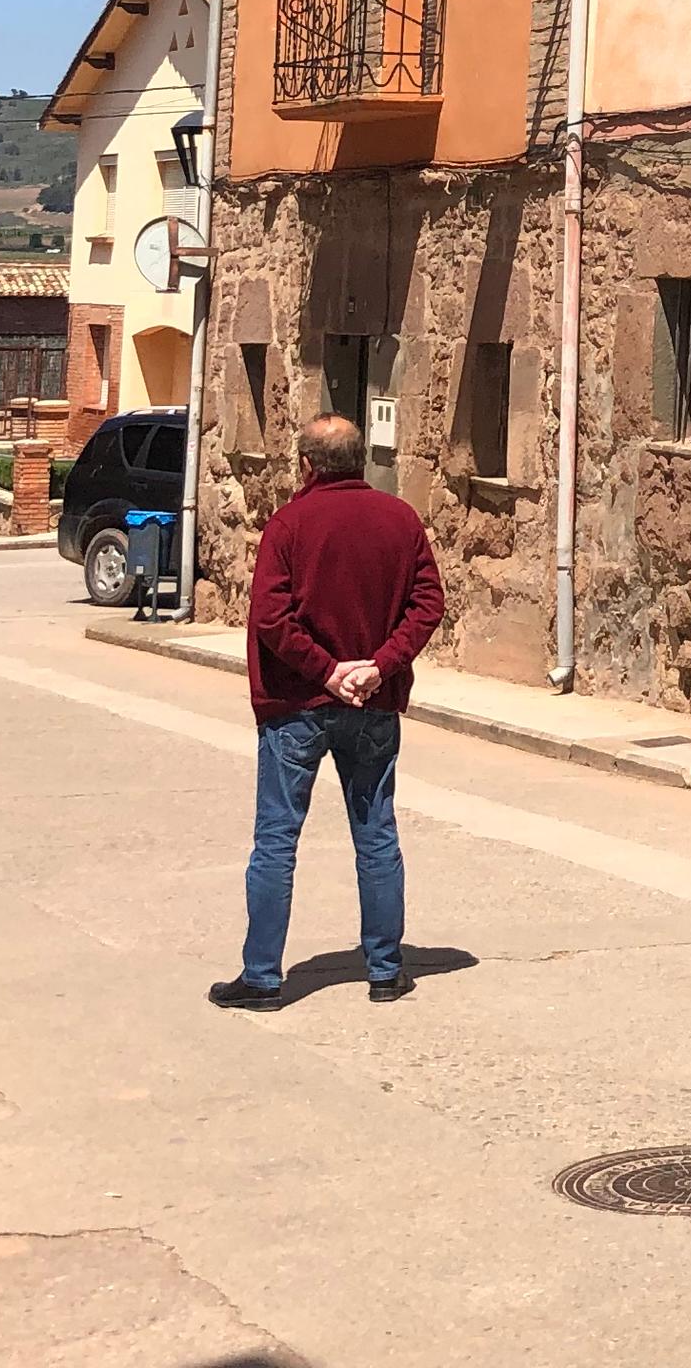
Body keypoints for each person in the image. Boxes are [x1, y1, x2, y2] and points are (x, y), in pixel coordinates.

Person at [214, 412, 442, 1010]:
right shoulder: (400, 520)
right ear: (360, 461)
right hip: (373, 701)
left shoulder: (289, 525)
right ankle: (386, 970)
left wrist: (324, 670)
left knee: (276, 840)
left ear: (306, 464)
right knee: (377, 835)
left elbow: (269, 616)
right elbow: (428, 601)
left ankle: (262, 977)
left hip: (297, 705)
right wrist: (378, 665)